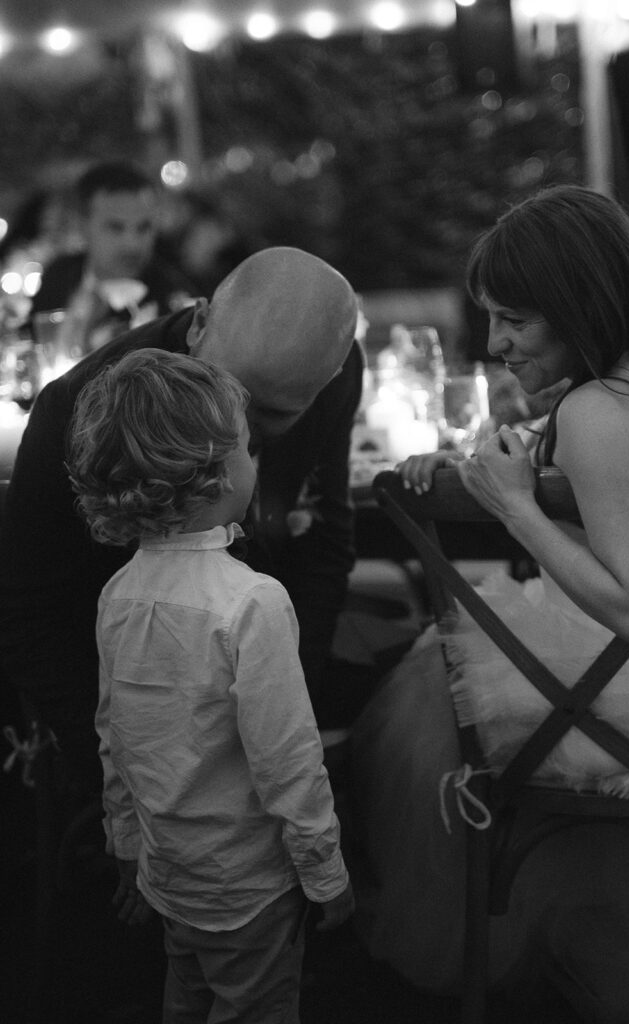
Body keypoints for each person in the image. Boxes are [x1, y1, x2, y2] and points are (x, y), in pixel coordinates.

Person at [349, 185, 629, 1023]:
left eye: (515, 320)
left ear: (577, 305)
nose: (494, 345)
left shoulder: (601, 411)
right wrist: (512, 456)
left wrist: (515, 506)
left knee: (428, 681)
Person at [0, 244, 361, 805]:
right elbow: (31, 616)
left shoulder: (332, 370)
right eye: (226, 389)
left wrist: (290, 707)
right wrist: (122, 784)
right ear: (198, 324)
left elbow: (324, 544)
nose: (234, 431)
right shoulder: (74, 410)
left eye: (269, 414)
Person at [66, 348, 354, 1023]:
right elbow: (288, 761)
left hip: (171, 876)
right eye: (249, 446)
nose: (257, 459)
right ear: (219, 472)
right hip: (247, 885)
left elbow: (116, 738)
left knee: (187, 1000)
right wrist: (325, 871)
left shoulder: (120, 594)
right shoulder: (252, 603)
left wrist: (128, 846)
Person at [29, 160, 193, 354]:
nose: (132, 243)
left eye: (144, 227)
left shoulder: (173, 297)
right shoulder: (58, 275)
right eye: (115, 227)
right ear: (83, 225)